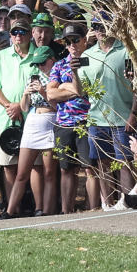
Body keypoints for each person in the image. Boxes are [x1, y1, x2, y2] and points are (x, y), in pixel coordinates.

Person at [78, 15, 136, 210]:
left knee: (124, 161)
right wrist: (72, 72)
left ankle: (126, 201)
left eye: (103, 25)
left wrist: (133, 114)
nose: (100, 29)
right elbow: (81, 90)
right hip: (96, 118)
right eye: (95, 26)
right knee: (102, 163)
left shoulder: (127, 50)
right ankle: (108, 204)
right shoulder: (87, 55)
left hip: (122, 115)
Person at [3, 46, 58, 218]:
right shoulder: (33, 77)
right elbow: (25, 107)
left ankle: (46, 211)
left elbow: (59, 106)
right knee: (22, 172)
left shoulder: (58, 77)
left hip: (51, 121)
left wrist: (42, 90)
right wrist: (26, 94)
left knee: (49, 172)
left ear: (52, 60)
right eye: (37, 64)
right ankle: (10, 211)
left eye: (42, 63)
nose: (40, 67)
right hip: (33, 121)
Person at [46, 23, 93, 214]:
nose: (72, 45)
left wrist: (64, 87)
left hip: (87, 121)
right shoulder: (59, 64)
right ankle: (66, 211)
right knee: (66, 169)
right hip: (64, 122)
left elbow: (91, 91)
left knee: (90, 169)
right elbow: (50, 94)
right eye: (68, 41)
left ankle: (94, 208)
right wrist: (73, 90)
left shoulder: (92, 61)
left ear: (84, 41)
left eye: (75, 40)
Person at [0, 18, 35, 206]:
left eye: (22, 32)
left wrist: (20, 106)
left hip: (32, 117)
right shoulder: (1, 56)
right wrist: (10, 106)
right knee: (9, 166)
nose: (18, 36)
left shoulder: (38, 55)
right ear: (10, 35)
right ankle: (12, 208)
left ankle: (32, 205)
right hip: (7, 118)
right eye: (15, 32)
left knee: (34, 166)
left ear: (30, 34)